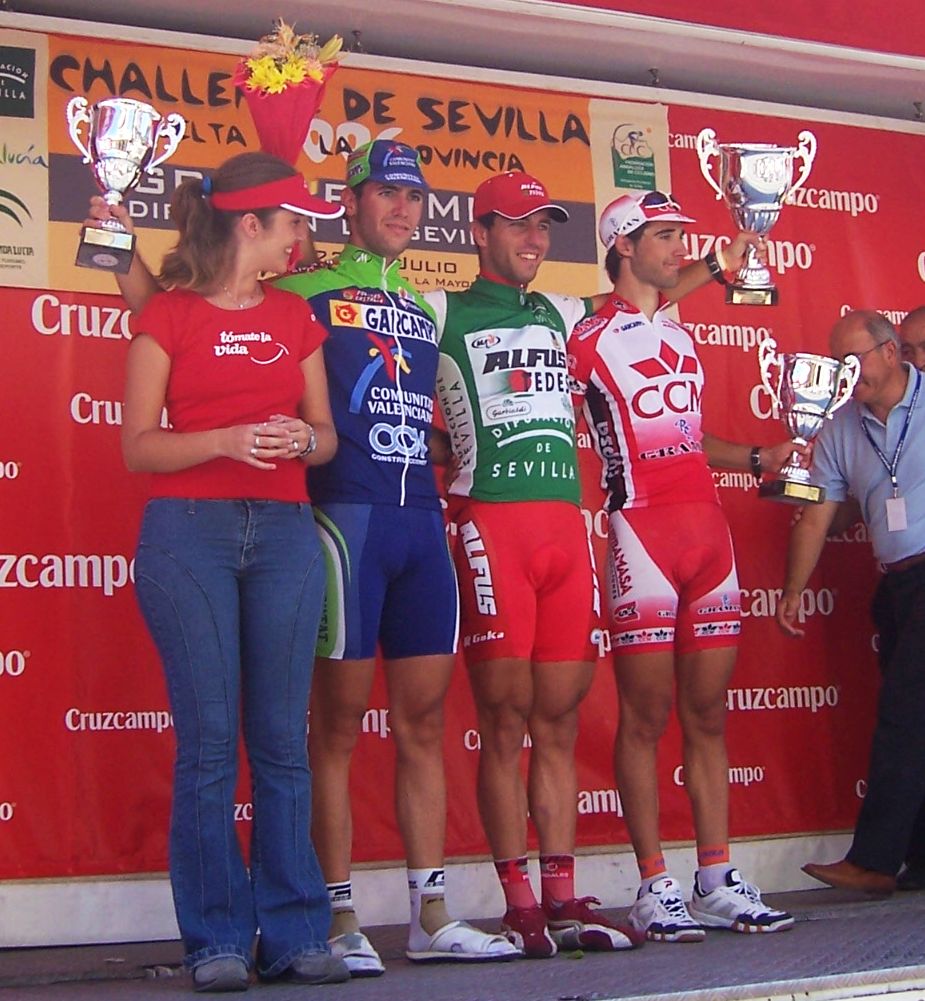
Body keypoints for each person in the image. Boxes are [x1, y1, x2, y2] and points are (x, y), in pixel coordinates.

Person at [428, 175, 763, 957]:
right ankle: (519, 900)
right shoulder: (442, 308)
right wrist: (442, 448)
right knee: (504, 717)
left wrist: (719, 264)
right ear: (479, 230)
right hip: (494, 523)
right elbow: (381, 380)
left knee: (557, 718)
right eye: (517, 224)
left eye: (543, 225)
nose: (533, 238)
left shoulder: (566, 314)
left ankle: (561, 895)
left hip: (563, 530)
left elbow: (644, 297)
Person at [274, 140, 518, 971]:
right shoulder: (301, 290)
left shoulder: (421, 302)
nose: (403, 209)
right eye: (386, 193)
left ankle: (430, 912)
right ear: (350, 202)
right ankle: (336, 914)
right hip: (345, 519)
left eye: (413, 197)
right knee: (336, 727)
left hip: (421, 524)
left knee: (423, 722)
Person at [120, 152, 345, 991]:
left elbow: (325, 434)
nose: (300, 239)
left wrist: (302, 439)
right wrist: (224, 440)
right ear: (251, 224)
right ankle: (215, 938)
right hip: (190, 534)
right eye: (292, 223)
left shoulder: (292, 315)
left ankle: (294, 933)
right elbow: (138, 446)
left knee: (283, 743)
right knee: (210, 743)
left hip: (284, 531)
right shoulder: (169, 315)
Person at [568, 191, 799, 942]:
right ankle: (651, 884)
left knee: (707, 713)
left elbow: (690, 439)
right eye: (663, 235)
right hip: (640, 533)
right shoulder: (583, 334)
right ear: (623, 245)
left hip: (707, 531)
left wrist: (757, 457)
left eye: (680, 236)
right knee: (645, 716)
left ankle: (715, 877)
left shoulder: (678, 331)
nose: (677, 247)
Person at [777, 310, 925, 897]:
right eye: (835, 363)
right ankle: (920, 858)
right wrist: (793, 590)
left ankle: (875, 861)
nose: (844, 373)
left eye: (852, 359)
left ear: (890, 352)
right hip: (896, 585)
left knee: (904, 715)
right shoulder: (838, 427)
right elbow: (817, 516)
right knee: (914, 718)